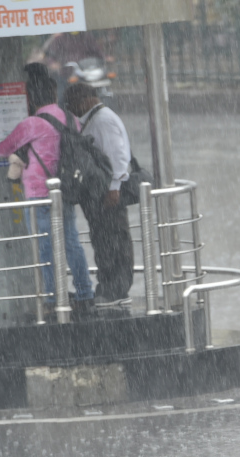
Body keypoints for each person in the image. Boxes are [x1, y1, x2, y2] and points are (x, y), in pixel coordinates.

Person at [0, 63, 94, 318]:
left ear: (32, 98)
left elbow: (3, 148)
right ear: (53, 94)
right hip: (65, 191)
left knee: (44, 247)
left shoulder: (31, 123)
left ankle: (53, 296)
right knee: (71, 242)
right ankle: (85, 293)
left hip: (39, 193)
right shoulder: (70, 118)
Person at [64, 82, 134, 305]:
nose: (72, 109)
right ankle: (109, 286)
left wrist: (115, 187)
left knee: (113, 240)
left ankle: (116, 290)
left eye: (72, 103)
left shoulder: (103, 120)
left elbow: (118, 155)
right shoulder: (95, 119)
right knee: (104, 240)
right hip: (99, 193)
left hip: (107, 192)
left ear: (85, 99)